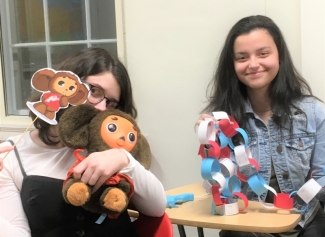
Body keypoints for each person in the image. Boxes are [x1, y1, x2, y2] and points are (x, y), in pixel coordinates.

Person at [0, 47, 166, 236]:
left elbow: (157, 208)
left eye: (111, 102)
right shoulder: (10, 155)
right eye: (94, 91)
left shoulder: (110, 144)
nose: (102, 107)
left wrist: (124, 159)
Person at [197, 15, 325, 237]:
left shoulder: (314, 113)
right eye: (242, 57)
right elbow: (216, 188)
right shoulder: (224, 123)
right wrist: (209, 145)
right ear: (233, 65)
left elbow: (322, 175)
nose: (253, 64)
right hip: (248, 223)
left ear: (280, 57)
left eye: (263, 54)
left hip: (305, 219)